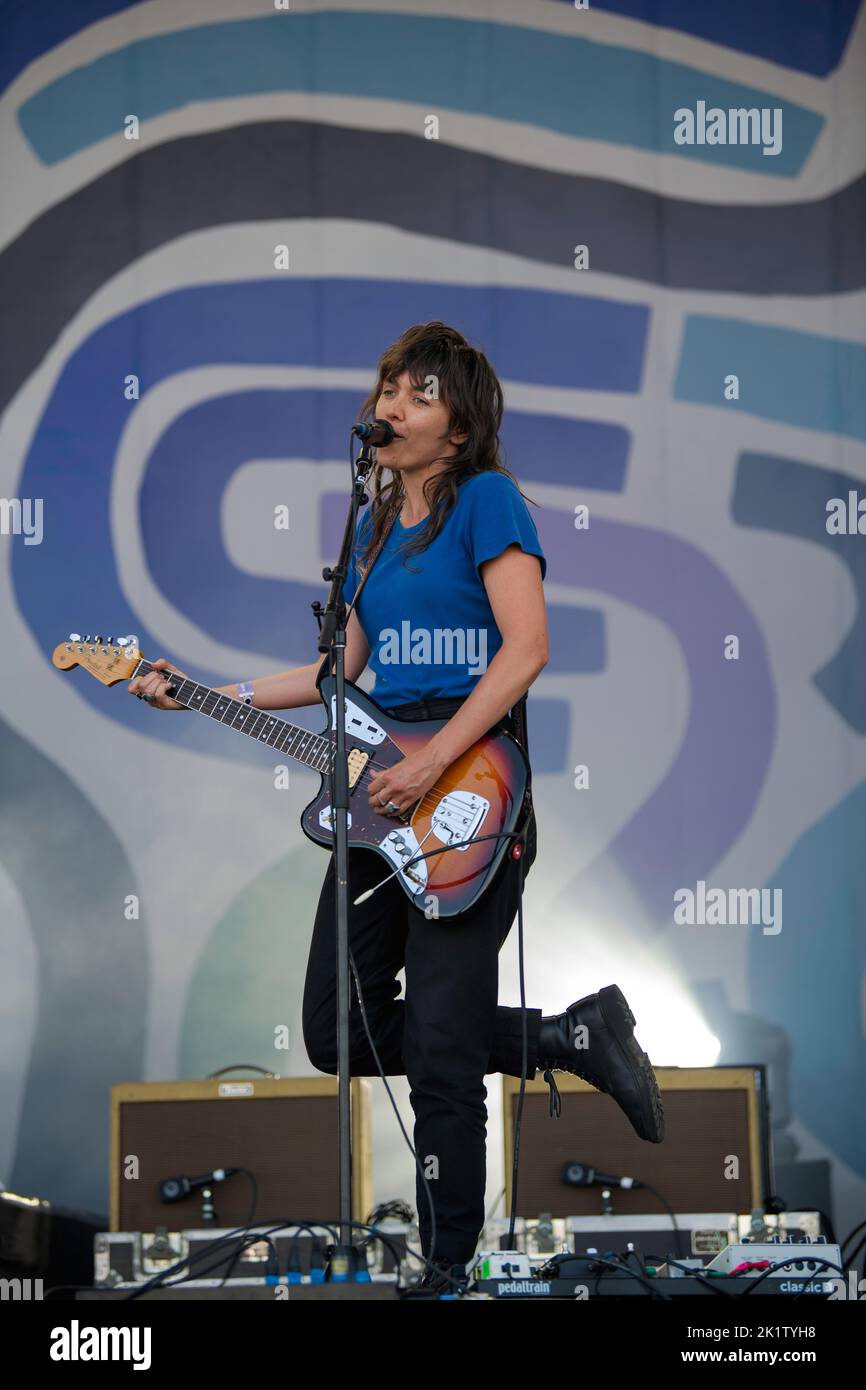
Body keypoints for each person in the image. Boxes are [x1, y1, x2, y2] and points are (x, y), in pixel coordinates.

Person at [128, 321, 664, 1294]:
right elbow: (344, 672)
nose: (392, 405)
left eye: (417, 393)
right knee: (337, 1029)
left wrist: (433, 765)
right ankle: (559, 1038)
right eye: (388, 388)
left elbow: (526, 649)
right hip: (383, 796)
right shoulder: (370, 527)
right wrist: (203, 688)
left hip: (469, 790)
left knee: (440, 1058)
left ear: (457, 427)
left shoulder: (489, 502)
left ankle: (446, 1267)